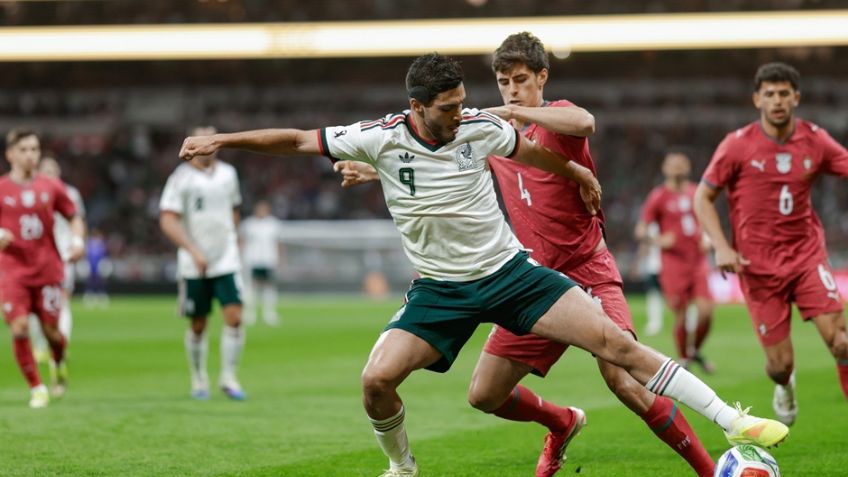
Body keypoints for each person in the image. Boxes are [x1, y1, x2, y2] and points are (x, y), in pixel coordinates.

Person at [179, 53, 788, 477]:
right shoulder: (379, 136)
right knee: (376, 381)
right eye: (448, 107)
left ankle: (731, 420)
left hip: (511, 275)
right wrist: (222, 141)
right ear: (417, 107)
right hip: (440, 290)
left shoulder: (478, 128)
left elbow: (534, 154)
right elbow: (294, 139)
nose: (461, 114)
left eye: (463, 103)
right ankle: (402, 466)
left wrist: (578, 172)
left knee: (615, 346)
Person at [341, 35, 714, 477]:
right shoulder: (491, 138)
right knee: (484, 394)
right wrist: (374, 170)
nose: (512, 90)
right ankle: (562, 422)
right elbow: (441, 163)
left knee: (624, 379)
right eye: (504, 82)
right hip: (530, 284)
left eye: (521, 80)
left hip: (587, 272)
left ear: (542, 77)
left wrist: (516, 113)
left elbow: (585, 122)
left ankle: (710, 470)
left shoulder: (557, 121)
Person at [695, 62, 848, 427]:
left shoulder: (815, 139)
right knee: (780, 366)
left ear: (796, 98)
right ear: (757, 100)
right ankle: (784, 385)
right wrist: (721, 246)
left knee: (841, 342)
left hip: (807, 257)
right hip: (757, 266)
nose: (777, 101)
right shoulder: (737, 145)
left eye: (783, 94)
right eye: (769, 94)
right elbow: (703, 197)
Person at [160, 125, 247, 401]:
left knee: (235, 317)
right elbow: (168, 219)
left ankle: (229, 377)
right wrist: (192, 250)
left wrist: (233, 239)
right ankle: (199, 378)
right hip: (193, 263)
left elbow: (234, 210)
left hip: (225, 259)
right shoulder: (180, 178)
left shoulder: (228, 174)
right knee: (198, 324)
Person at [0, 128, 84, 408]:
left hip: (47, 269)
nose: (30, 155)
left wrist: (77, 240)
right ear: (10, 154)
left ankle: (58, 361)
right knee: (20, 327)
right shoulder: (1, 188)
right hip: (12, 271)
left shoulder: (51, 186)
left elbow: (74, 216)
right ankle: (37, 388)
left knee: (52, 333)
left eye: (34, 149)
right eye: (23, 150)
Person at [636, 152, 715, 373]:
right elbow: (640, 230)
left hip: (697, 260)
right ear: (665, 168)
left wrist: (708, 238)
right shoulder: (658, 196)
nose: (677, 168)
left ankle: (693, 350)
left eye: (681, 164)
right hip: (673, 264)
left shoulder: (696, 192)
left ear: (688, 167)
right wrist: (658, 240)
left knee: (706, 312)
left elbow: (708, 220)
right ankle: (685, 359)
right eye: (673, 164)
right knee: (681, 314)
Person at [29, 156, 87, 366]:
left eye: (52, 170)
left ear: (59, 173)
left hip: (63, 255)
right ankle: (40, 346)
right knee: (36, 304)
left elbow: (78, 221)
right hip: (35, 256)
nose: (49, 174)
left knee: (62, 301)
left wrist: (78, 243)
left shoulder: (70, 194)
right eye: (45, 170)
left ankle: (61, 346)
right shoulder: (31, 192)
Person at [239, 200, 285, 326]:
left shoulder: (274, 224)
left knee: (269, 286)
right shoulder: (248, 224)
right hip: (252, 259)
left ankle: (269, 313)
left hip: (269, 260)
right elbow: (242, 241)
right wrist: (240, 258)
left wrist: (281, 259)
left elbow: (278, 243)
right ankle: (250, 313)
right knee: (251, 286)